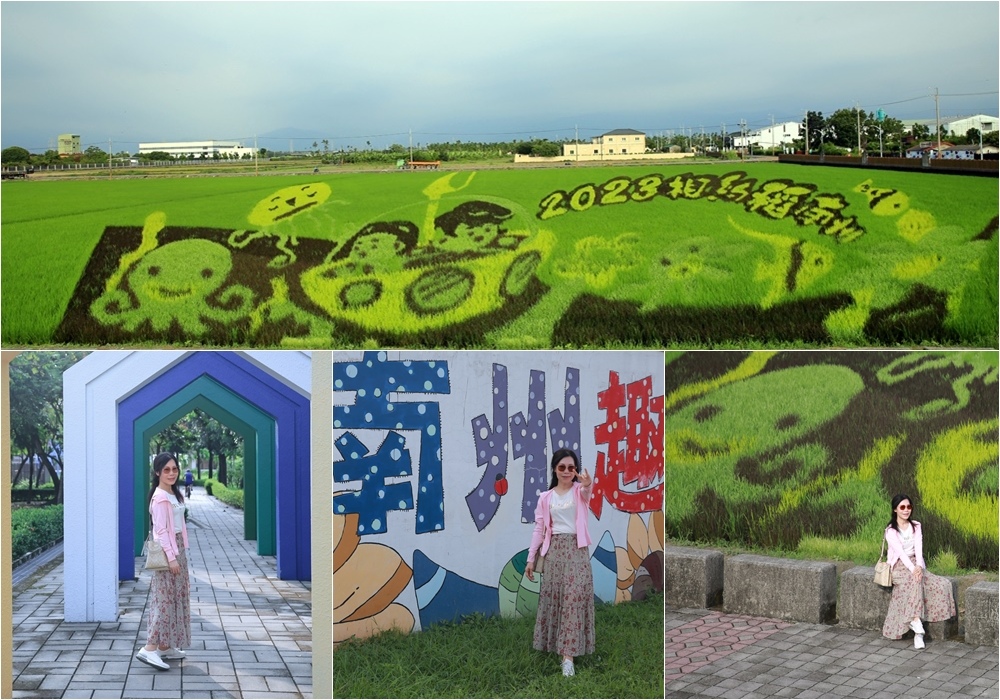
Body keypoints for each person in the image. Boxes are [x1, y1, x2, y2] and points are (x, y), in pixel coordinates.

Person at [525, 448, 595, 677]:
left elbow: (587, 491)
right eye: (562, 467)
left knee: (573, 600)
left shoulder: (579, 492)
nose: (567, 471)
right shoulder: (545, 498)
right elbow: (539, 529)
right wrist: (531, 559)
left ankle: (568, 657)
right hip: (554, 552)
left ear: (576, 470)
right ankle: (559, 647)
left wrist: (587, 484)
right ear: (554, 469)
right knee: (557, 600)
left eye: (571, 467)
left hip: (577, 552)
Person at [135, 453, 191, 670]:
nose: (171, 473)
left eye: (174, 469)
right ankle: (149, 648)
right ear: (157, 472)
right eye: (166, 470)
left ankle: (165, 646)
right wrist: (172, 558)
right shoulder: (159, 498)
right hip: (169, 552)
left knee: (176, 597)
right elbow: (160, 532)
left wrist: (180, 553)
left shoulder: (173, 494)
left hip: (178, 549)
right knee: (164, 600)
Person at [882, 494, 956, 649]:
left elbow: (919, 549)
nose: (906, 510)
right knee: (915, 581)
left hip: (916, 563)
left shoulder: (916, 526)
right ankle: (917, 628)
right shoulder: (891, 531)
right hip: (899, 566)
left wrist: (919, 567)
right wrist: (913, 569)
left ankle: (916, 626)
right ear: (895, 509)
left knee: (941, 583)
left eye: (909, 507)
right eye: (902, 507)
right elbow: (901, 553)